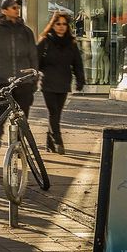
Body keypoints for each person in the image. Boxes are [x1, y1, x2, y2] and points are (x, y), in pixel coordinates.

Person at [0, 0, 38, 151]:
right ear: (4, 11)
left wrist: (33, 79)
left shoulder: (26, 31)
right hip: (2, 80)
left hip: (23, 81)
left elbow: (33, 56)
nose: (17, 9)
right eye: (13, 7)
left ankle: (20, 143)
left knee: (22, 115)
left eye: (17, 7)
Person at [37, 11, 84, 154]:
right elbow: (35, 61)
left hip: (64, 83)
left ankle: (49, 142)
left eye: (64, 24)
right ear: (53, 25)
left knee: (57, 112)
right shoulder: (45, 41)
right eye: (58, 24)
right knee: (53, 112)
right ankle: (58, 140)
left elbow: (77, 63)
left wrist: (80, 80)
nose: (61, 27)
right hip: (48, 83)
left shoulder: (71, 43)